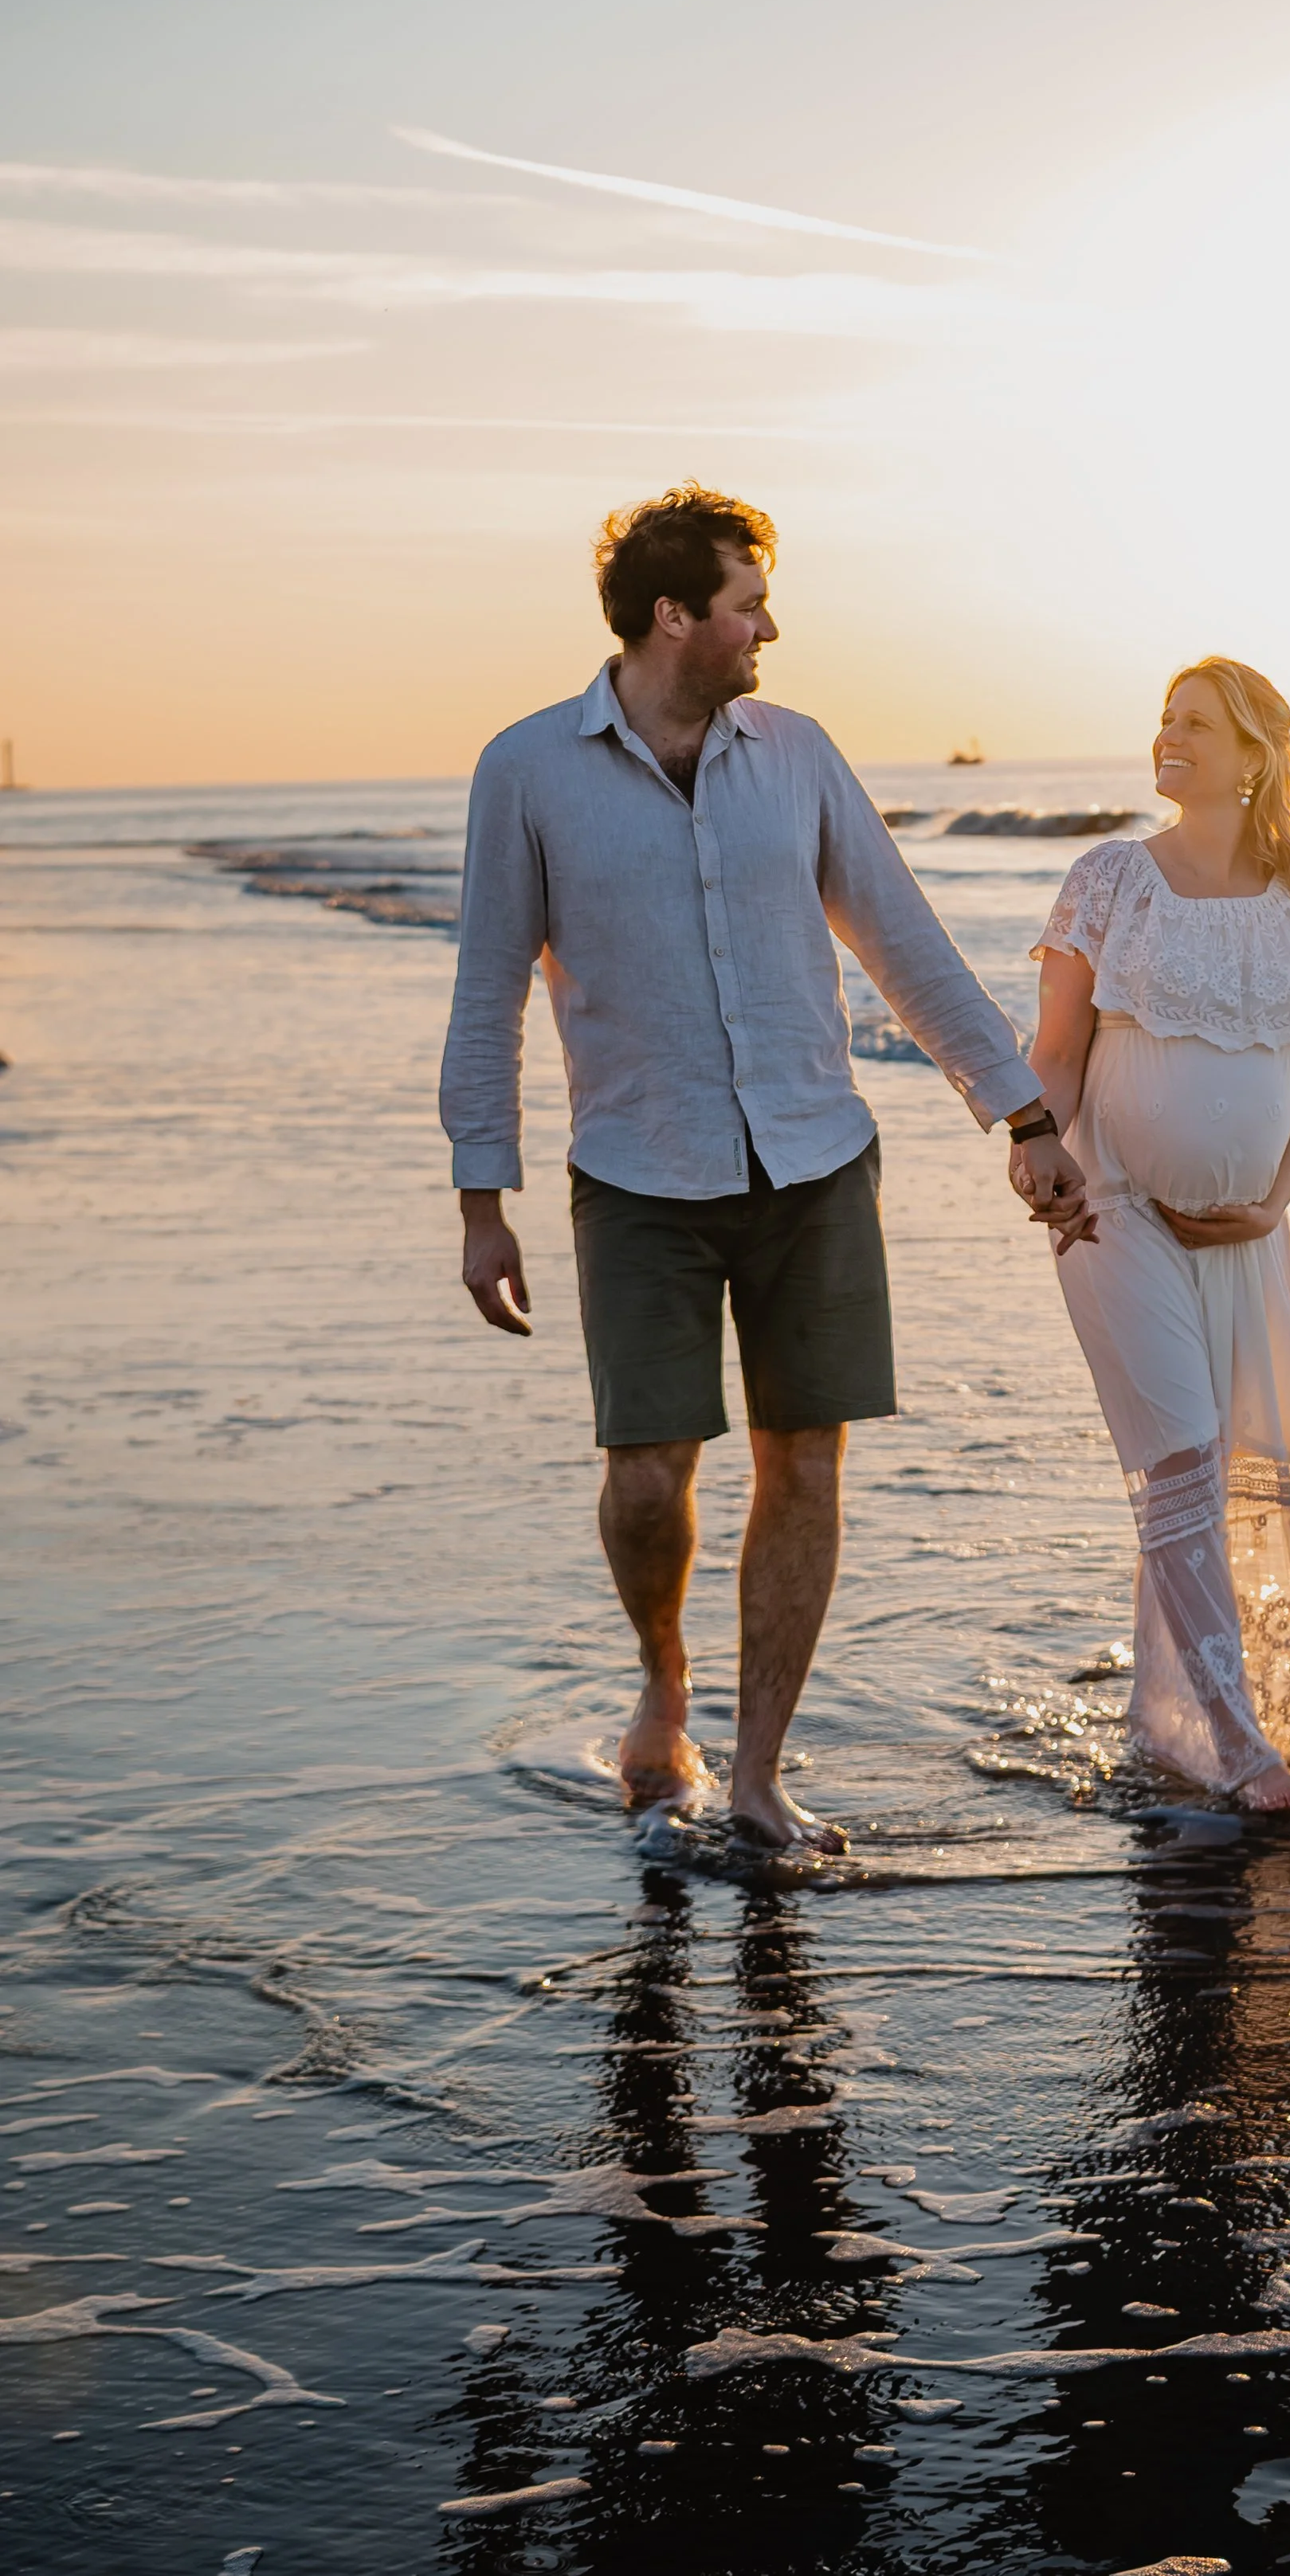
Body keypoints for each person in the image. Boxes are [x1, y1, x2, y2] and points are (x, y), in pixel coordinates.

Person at [440, 485, 1092, 1855]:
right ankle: (665, 1681)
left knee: (807, 1460)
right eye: (749, 606)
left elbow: (900, 941)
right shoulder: (528, 771)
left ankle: (756, 1771)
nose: (770, 629)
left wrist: (1025, 1120)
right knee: (645, 1475)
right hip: (636, 1172)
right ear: (675, 617)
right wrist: (480, 1200)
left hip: (814, 1159)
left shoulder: (796, 755)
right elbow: (489, 986)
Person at [1028, 656, 1290, 1810]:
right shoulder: (1109, 880)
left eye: (1197, 723)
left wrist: (1277, 1200)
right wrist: (1030, 1145)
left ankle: (1176, 1723)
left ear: (1257, 756)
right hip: (1111, 1212)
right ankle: (1243, 1747)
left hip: (1247, 1234)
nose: (1170, 736)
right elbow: (1054, 1054)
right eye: (1164, 719)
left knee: (1230, 1465)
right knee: (1186, 1458)